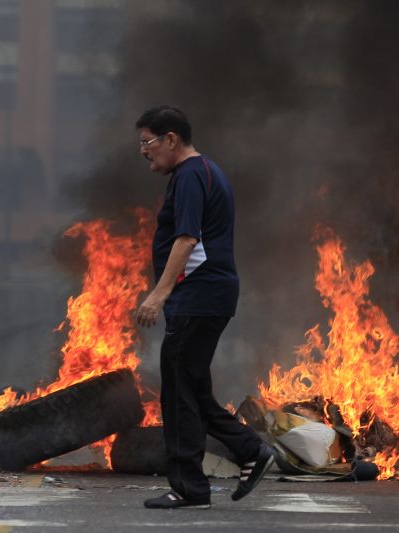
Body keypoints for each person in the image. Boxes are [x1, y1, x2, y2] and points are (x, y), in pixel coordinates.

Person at [134, 106, 273, 509]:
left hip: (198, 296)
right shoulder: (205, 171)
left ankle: (188, 486)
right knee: (191, 387)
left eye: (147, 143)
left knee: (179, 391)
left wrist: (158, 295)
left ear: (172, 139)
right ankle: (249, 451)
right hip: (208, 296)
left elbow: (186, 240)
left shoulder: (191, 176)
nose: (144, 152)